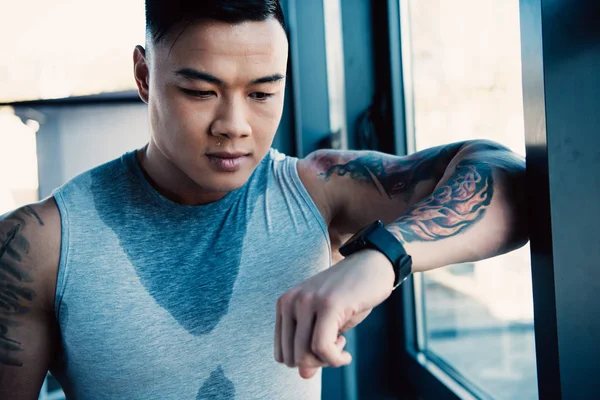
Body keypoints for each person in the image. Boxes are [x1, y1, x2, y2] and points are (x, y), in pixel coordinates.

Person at [0, 1, 528, 398]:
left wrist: (379, 261)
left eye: (261, 92)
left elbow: (506, 175)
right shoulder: (39, 245)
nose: (234, 126)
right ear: (144, 76)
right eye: (201, 92)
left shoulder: (317, 190)